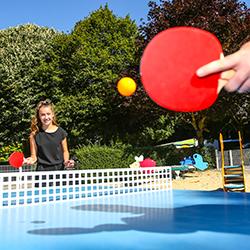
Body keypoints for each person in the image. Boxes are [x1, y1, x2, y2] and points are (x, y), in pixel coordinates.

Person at [24, 99, 74, 171]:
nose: (46, 117)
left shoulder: (61, 132)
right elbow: (33, 157)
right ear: (39, 116)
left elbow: (65, 151)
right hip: (42, 172)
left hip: (59, 171)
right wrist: (28, 160)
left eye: (48, 114)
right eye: (43, 115)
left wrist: (66, 161)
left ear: (53, 114)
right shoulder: (34, 135)